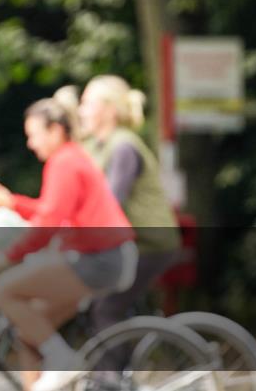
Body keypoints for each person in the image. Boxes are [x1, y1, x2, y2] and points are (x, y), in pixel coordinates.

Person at [0, 98, 137, 391]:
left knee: (2, 289)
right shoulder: (72, 157)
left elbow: (49, 223)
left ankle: (64, 362)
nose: (30, 143)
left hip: (98, 260)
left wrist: (9, 256)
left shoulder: (64, 162)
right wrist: (13, 203)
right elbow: (51, 211)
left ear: (55, 131)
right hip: (106, 258)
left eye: (33, 134)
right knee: (30, 330)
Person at [78, 75, 181, 334]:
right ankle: (119, 369)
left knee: (105, 308)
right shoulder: (96, 145)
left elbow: (111, 201)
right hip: (131, 243)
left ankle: (111, 376)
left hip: (150, 244)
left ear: (110, 111)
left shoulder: (123, 146)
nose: (81, 111)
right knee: (101, 304)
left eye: (88, 103)